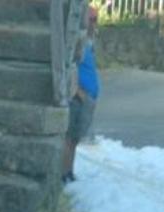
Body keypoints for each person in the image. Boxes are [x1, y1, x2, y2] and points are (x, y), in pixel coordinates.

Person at [62, 6, 101, 183]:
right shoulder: (79, 41)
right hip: (80, 96)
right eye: (91, 19)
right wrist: (77, 91)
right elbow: (69, 67)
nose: (93, 23)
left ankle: (69, 171)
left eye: (95, 20)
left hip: (89, 96)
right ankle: (64, 172)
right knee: (69, 139)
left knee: (75, 139)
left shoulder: (90, 41)